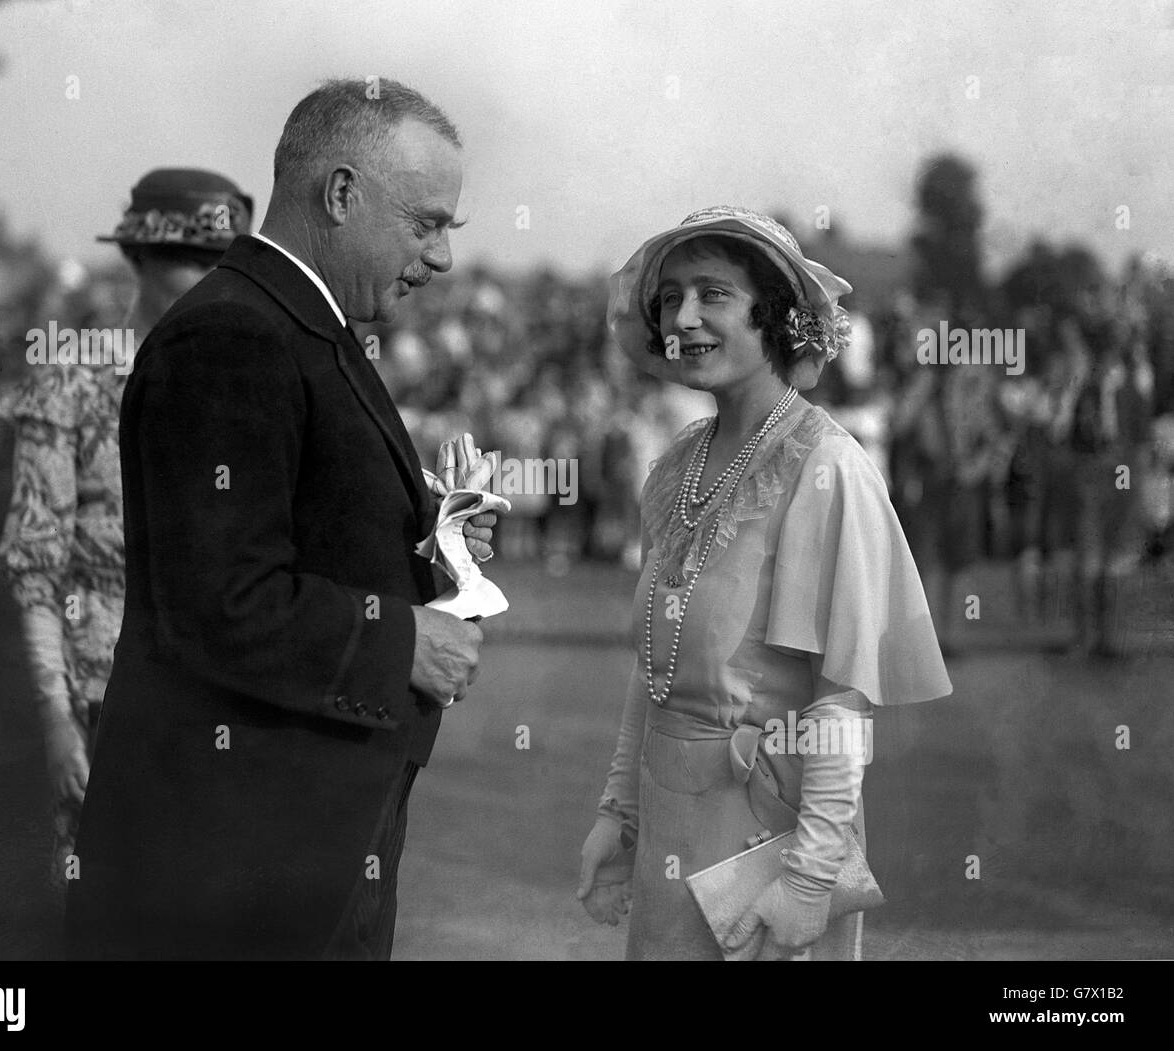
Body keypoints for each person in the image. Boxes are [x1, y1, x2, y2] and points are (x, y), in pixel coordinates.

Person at [64, 78, 494, 960]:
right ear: (341, 195)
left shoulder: (297, 325)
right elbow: (216, 598)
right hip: (231, 872)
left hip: (291, 852)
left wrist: (432, 546)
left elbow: (300, 539)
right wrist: (404, 638)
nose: (443, 256)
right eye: (427, 223)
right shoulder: (233, 335)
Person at [577, 206, 952, 960]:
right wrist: (618, 817)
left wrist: (811, 880)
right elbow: (652, 677)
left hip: (761, 851)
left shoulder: (827, 467)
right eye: (671, 297)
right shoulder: (676, 466)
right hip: (668, 835)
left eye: (712, 294)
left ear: (775, 316)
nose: (683, 317)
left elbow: (842, 698)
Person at [0, 168, 253, 890]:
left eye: (223, 262)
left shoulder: (245, 384)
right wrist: (50, 712)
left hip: (218, 702)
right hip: (99, 698)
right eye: (192, 260)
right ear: (138, 258)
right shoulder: (72, 381)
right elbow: (33, 568)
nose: (209, 278)